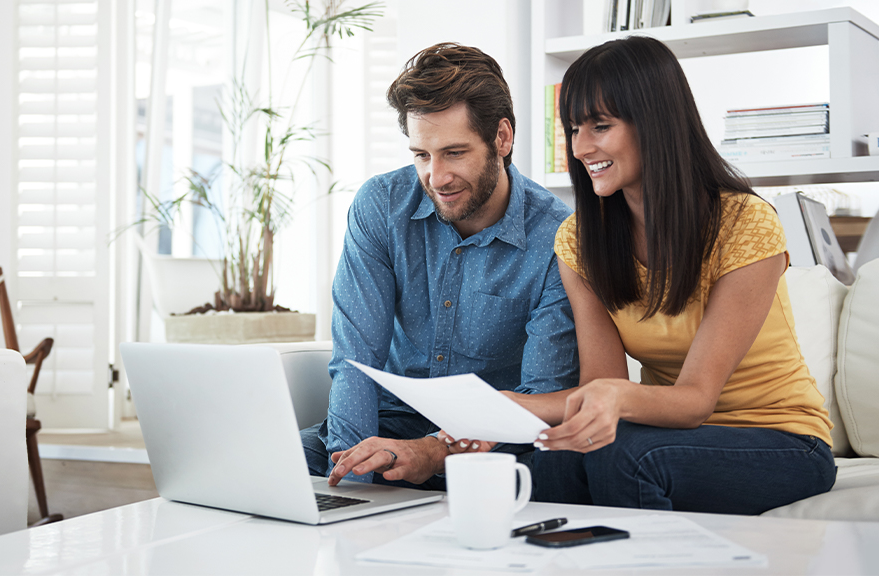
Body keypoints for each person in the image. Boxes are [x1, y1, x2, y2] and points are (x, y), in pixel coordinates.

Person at [451, 35, 835, 515]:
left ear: (656, 124)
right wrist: (505, 406)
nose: (581, 146)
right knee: (543, 464)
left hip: (780, 439)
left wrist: (608, 398)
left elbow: (695, 400)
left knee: (625, 459)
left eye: (600, 126)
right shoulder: (579, 240)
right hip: (670, 436)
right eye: (574, 129)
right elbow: (601, 386)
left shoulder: (745, 223)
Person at [300, 42, 579, 489]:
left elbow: (540, 394)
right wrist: (351, 475)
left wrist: (434, 450)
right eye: (421, 155)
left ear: (502, 138)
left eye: (454, 152)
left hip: (492, 444)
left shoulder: (557, 238)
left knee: (554, 474)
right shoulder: (381, 206)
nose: (436, 177)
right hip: (387, 425)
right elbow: (355, 359)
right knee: (273, 466)